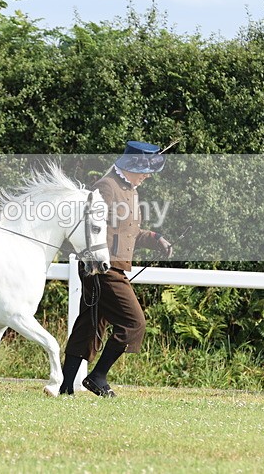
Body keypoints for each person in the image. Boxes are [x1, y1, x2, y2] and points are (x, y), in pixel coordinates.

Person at [60, 141, 173, 397]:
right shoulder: (107, 187)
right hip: (102, 267)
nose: (147, 176)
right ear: (132, 166)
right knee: (134, 322)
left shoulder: (131, 190)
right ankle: (97, 377)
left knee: (88, 325)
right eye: (145, 171)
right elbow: (91, 227)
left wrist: (155, 238)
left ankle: (66, 388)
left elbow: (129, 232)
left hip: (114, 267)